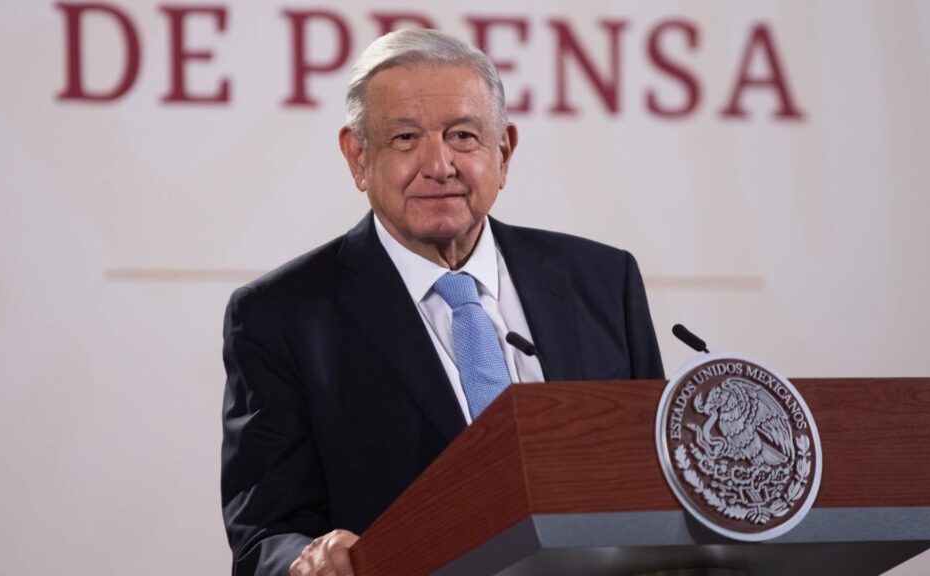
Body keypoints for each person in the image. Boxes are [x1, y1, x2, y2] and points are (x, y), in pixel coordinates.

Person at [221, 28, 664, 576]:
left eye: (462, 136)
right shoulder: (282, 316)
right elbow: (266, 533)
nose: (439, 165)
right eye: (405, 138)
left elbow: (654, 485)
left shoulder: (601, 280)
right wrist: (307, 560)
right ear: (358, 156)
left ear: (503, 151)